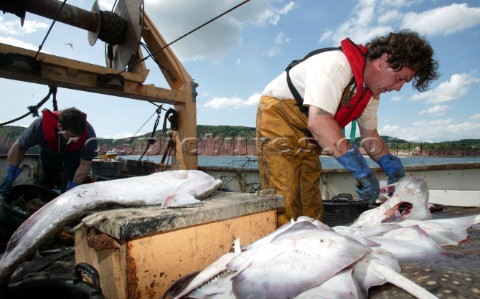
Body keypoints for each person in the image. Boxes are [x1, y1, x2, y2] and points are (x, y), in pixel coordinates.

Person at [256, 30, 439, 226]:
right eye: (400, 78)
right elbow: (319, 122)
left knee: (309, 193)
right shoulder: (336, 64)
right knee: (284, 192)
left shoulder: (370, 93)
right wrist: (362, 171)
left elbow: (370, 135)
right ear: (385, 60)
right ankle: (279, 247)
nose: (398, 88)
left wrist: (389, 162)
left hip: (309, 134)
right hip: (280, 116)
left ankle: (312, 244)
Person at [0, 107, 98, 194]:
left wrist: (74, 186)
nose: (76, 140)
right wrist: (10, 173)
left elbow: (84, 164)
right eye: (71, 136)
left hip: (74, 153)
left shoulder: (89, 135)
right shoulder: (40, 126)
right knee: (47, 178)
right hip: (50, 150)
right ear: (60, 127)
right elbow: (19, 146)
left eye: (78, 137)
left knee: (70, 180)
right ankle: (40, 199)